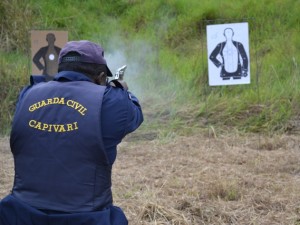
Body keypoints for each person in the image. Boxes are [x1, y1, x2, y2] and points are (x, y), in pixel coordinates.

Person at [0, 40, 143, 225]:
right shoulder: (110, 101)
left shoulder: (27, 94)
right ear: (100, 77)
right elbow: (135, 114)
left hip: (19, 216)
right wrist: (120, 89)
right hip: (86, 219)